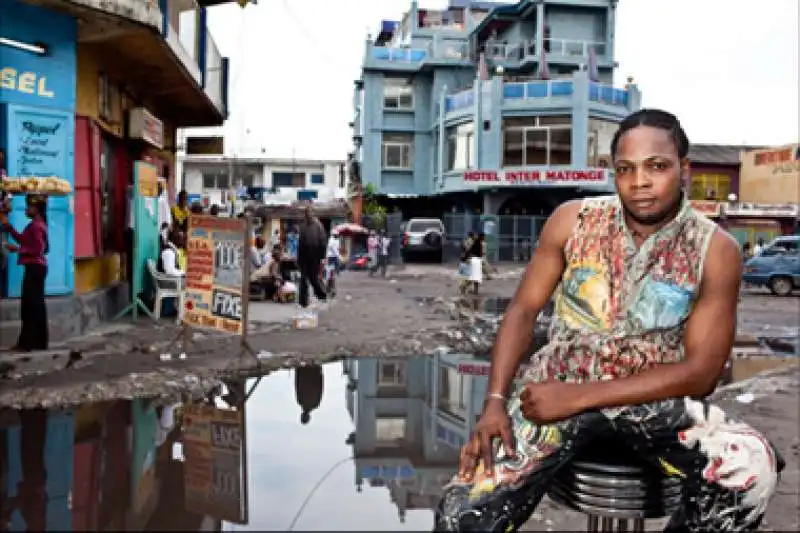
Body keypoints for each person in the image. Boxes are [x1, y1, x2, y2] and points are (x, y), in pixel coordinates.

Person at [435, 109, 782, 532]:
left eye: (657, 166)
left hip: (651, 400)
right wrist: (493, 403)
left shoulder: (715, 248)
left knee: (752, 469)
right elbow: (523, 311)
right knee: (461, 513)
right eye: (626, 169)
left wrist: (581, 397)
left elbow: (701, 373)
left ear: (683, 168)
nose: (640, 182)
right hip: (554, 390)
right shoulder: (572, 221)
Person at [0, 194, 49, 351]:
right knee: (37, 306)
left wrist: (18, 250)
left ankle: (26, 344)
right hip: (38, 268)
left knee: (29, 306)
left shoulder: (36, 226)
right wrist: (9, 228)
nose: (26, 209)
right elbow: (25, 240)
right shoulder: (37, 224)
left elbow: (38, 249)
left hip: (34, 268)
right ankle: (39, 342)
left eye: (29, 207)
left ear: (37, 208)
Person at [297, 205, 328, 308]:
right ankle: (303, 301)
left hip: (315, 255)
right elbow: (300, 244)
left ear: (313, 213)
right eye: (306, 213)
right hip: (304, 256)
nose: (308, 215)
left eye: (309, 213)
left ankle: (322, 295)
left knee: (314, 278)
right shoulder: (303, 226)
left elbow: (323, 242)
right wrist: (299, 258)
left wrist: (322, 256)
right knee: (303, 279)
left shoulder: (318, 225)